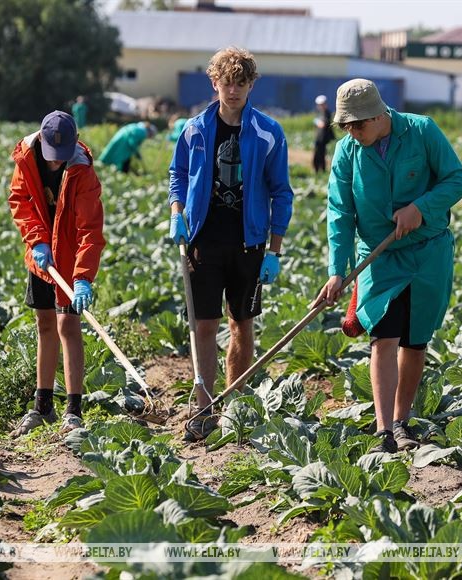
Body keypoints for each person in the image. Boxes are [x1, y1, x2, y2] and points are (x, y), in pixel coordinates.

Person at [314, 79, 462, 453]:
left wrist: (421, 209)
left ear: (378, 115)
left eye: (358, 125)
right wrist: (337, 270)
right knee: (383, 338)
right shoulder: (347, 151)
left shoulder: (421, 130)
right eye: (346, 126)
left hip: (428, 253)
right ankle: (383, 431)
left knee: (415, 340)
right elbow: (340, 212)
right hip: (379, 257)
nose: (352, 132)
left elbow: (456, 180)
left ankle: (402, 422)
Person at [168, 46, 294, 441]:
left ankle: (234, 406)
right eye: (227, 82)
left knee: (242, 324)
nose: (234, 90)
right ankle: (204, 407)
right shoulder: (194, 130)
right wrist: (176, 212)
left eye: (241, 83)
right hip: (203, 242)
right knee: (204, 324)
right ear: (214, 83)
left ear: (252, 85)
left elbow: (281, 193)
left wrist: (274, 251)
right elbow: (178, 174)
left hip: (248, 245)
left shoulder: (268, 132)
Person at [7, 110, 106, 436]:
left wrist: (82, 277)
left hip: (69, 257)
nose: (56, 162)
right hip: (41, 256)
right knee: (45, 324)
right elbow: (20, 200)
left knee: (68, 326)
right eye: (52, 154)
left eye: (61, 155)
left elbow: (90, 230)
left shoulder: (82, 170)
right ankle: (43, 407)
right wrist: (36, 239)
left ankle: (73, 411)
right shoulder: (26, 157)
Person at [312, 94, 334, 173]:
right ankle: (316, 169)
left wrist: (317, 121)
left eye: (322, 104)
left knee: (322, 154)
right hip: (318, 137)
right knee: (316, 154)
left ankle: (322, 170)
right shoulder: (318, 112)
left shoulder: (327, 113)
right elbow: (317, 123)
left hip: (324, 138)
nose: (320, 106)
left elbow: (323, 124)